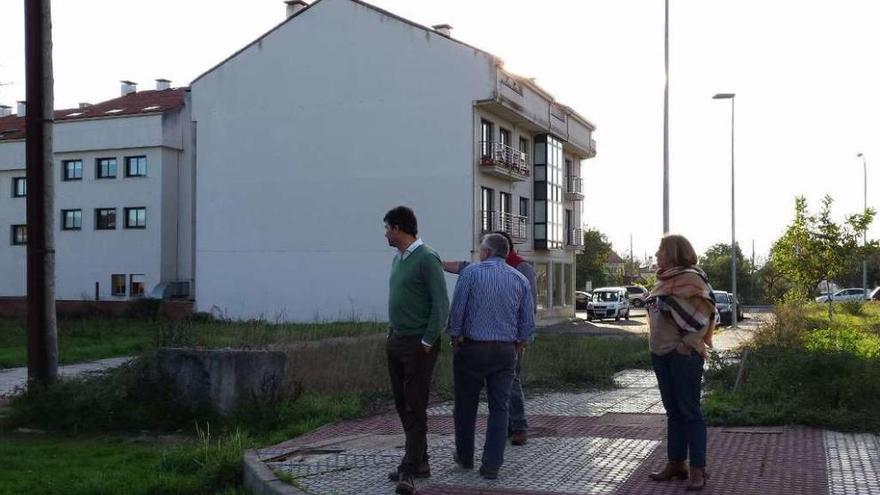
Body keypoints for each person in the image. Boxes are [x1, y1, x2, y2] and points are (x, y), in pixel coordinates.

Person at [446, 233, 534, 480]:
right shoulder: (519, 279)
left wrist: (455, 338)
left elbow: (457, 311)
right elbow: (527, 322)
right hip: (505, 351)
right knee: (500, 408)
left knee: (465, 406)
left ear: (486, 252)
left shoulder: (471, 273)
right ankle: (491, 466)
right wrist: (520, 344)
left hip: (472, 349)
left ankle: (465, 457)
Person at [383, 206, 449, 495]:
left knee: (414, 404)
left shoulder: (427, 258)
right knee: (401, 402)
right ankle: (420, 461)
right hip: (396, 340)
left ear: (399, 228)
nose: (385, 233)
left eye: (387, 228)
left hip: (418, 344)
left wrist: (426, 341)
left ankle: (408, 470)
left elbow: (441, 304)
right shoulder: (398, 260)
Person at [645, 234, 716, 492]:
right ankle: (676, 463)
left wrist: (686, 345)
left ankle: (698, 469)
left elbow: (706, 314)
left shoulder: (691, 278)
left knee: (689, 412)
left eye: (661, 250)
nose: (656, 254)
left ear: (674, 252)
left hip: (683, 355)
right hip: (660, 354)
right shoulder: (663, 280)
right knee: (673, 411)